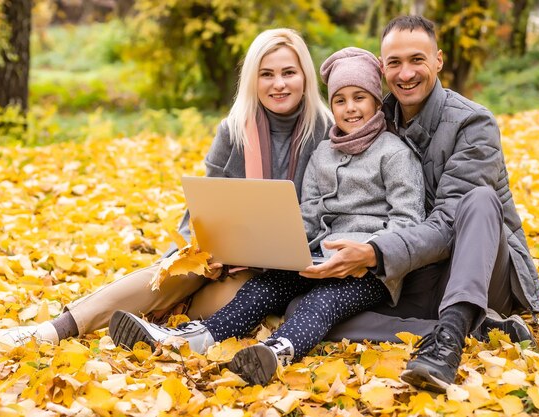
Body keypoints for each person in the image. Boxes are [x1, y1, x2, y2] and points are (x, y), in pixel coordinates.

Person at [0, 28, 332, 353]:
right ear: (253, 80)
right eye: (266, 74)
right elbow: (200, 209)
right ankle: (52, 330)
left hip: (277, 274)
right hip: (220, 258)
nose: (279, 84)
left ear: (305, 76)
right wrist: (202, 252)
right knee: (172, 273)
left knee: (228, 302)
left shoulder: (326, 133)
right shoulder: (234, 131)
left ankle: (155, 321)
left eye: (289, 72)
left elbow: (330, 213)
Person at [108, 47, 426, 386]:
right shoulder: (324, 153)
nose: (350, 108)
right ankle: (189, 338)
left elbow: (407, 222)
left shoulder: (395, 154)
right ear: (332, 106)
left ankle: (276, 351)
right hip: (319, 258)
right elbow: (311, 212)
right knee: (263, 288)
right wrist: (279, 246)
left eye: (359, 98)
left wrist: (369, 254)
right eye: (340, 100)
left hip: (368, 271)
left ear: (377, 101)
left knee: (321, 302)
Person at [296, 15, 539, 393]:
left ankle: (447, 345)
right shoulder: (372, 120)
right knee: (305, 312)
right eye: (394, 63)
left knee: (479, 200)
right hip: (414, 276)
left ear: (439, 61)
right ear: (382, 69)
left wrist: (373, 252)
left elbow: (447, 225)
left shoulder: (473, 124)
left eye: (417, 59)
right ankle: (462, 327)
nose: (406, 73)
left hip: (479, 269)